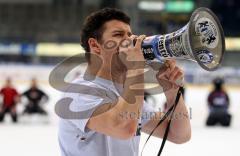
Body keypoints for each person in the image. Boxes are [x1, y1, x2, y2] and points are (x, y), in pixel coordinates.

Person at [58, 8, 191, 156]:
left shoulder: (124, 93)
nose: (130, 41)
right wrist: (135, 68)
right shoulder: (79, 92)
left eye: (130, 34)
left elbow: (179, 135)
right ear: (95, 46)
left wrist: (172, 93)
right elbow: (124, 128)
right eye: (118, 34)